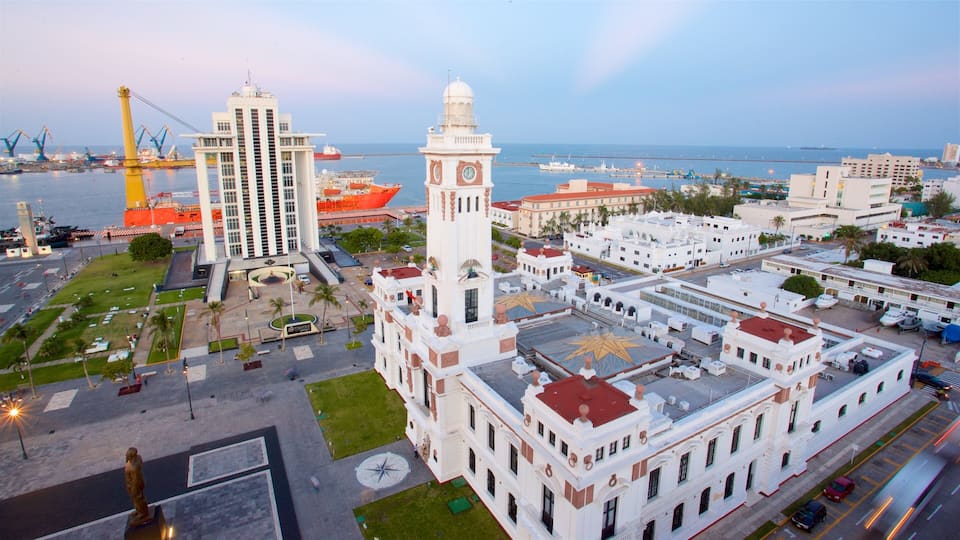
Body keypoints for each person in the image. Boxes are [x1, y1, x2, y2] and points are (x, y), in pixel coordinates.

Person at [125, 448, 150, 524]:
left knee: (138, 498)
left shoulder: (133, 467)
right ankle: (139, 510)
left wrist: (133, 488)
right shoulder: (137, 459)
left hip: (135, 484)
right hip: (132, 483)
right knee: (136, 499)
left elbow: (135, 480)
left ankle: (142, 512)